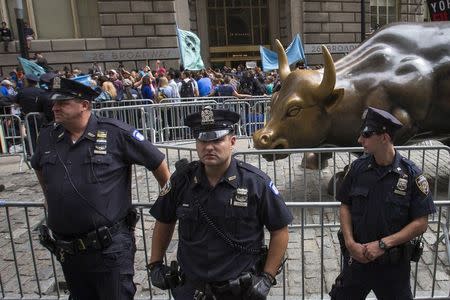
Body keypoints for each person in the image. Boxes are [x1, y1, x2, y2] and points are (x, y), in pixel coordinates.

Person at [31, 77, 170, 299]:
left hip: (109, 248)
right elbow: (38, 165)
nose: (54, 107)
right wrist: (49, 196)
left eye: (63, 102)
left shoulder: (116, 133)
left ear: (84, 105)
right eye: (53, 102)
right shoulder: (48, 136)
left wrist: (167, 201)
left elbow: (157, 162)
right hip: (68, 250)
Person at [148, 106, 293, 299]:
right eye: (203, 140)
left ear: (232, 141)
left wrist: (267, 278)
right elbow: (164, 220)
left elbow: (280, 230)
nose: (209, 146)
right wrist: (155, 264)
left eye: (217, 139)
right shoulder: (182, 181)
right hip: (191, 289)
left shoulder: (255, 183)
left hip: (239, 291)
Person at [329, 107, 436, 299]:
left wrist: (383, 245)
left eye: (366, 134)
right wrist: (350, 242)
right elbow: (345, 206)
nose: (360, 140)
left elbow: (421, 223)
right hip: (357, 262)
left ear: (384, 137)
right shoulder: (357, 168)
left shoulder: (411, 175)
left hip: (392, 270)